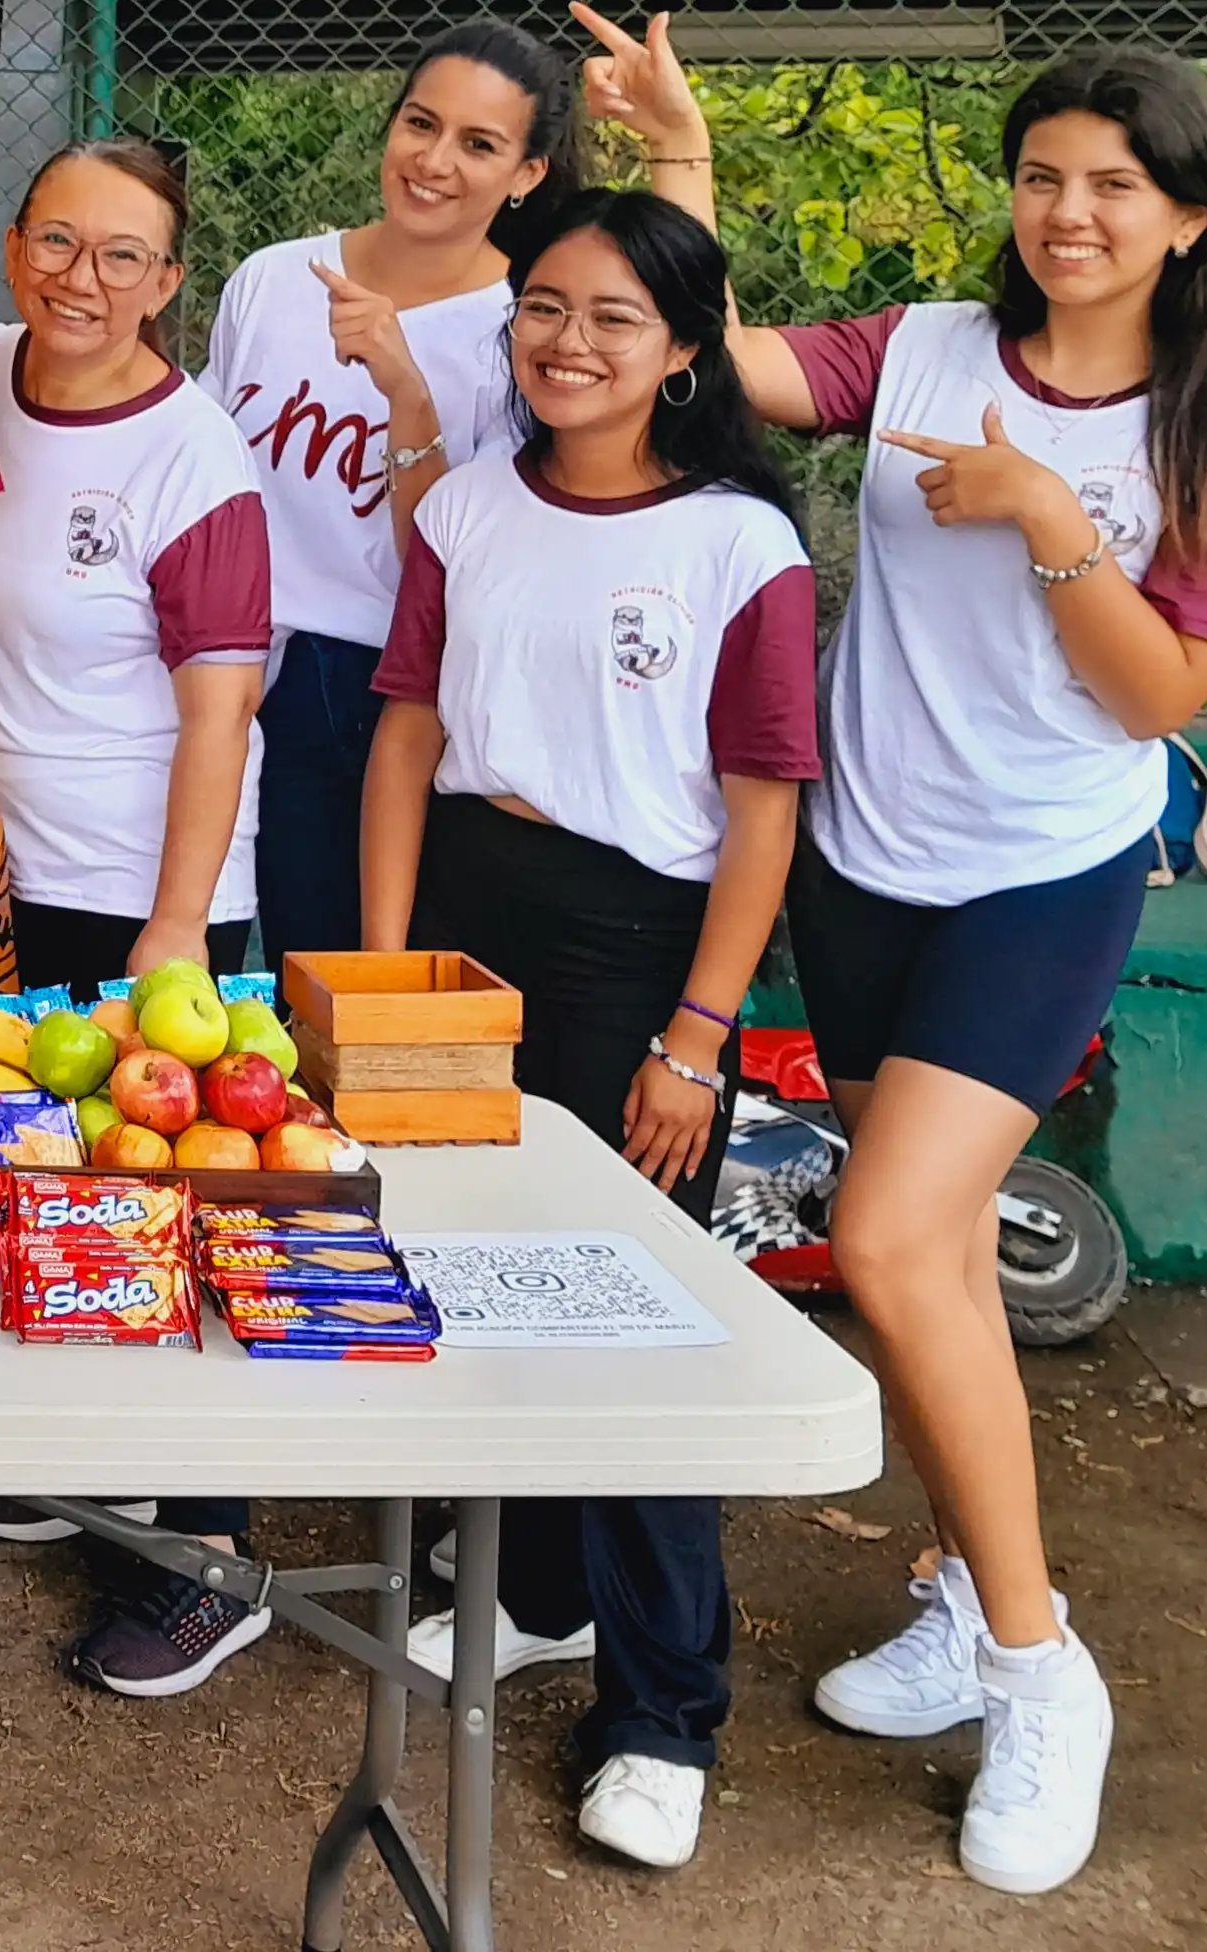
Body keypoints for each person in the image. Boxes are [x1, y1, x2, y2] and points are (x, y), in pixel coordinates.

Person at [599, 31, 1207, 1895]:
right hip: (861, 863)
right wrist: (682, 156)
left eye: (1113, 187)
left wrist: (1062, 530)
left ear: (1186, 218)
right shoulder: (919, 351)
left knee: (902, 1245)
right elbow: (717, 352)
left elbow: (1159, 698)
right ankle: (950, 1593)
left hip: (1041, 878)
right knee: (927, 1283)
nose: (1067, 214)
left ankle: (1036, 1666)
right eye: (1041, 176)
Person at [358, 187, 820, 1874]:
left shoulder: (735, 547)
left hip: (639, 939)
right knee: (476, 1263)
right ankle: (538, 1596)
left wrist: (696, 1036)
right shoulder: (466, 506)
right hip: (468, 904)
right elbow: (404, 733)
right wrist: (386, 971)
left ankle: (660, 1708)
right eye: (542, 307)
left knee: (631, 1309)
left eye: (613, 317)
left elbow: (761, 807)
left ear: (682, 349)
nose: (567, 341)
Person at [0, 139, 282, 1696]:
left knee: (184, 1195)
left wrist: (170, 929)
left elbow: (215, 717)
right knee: (31, 1172)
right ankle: (72, 1454)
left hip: (140, 880)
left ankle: (210, 1554)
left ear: (168, 283)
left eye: (123, 257)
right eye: (56, 243)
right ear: (13, 246)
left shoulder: (192, 460)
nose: (82, 280)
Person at [203, 22, 608, 971]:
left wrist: (403, 387)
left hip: (365, 689)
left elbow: (453, 566)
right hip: (219, 664)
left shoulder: (525, 328)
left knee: (322, 980)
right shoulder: (271, 278)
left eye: (478, 144)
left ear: (526, 174)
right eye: (419, 124)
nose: (433, 162)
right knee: (190, 969)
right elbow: (212, 489)